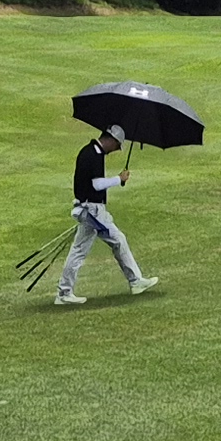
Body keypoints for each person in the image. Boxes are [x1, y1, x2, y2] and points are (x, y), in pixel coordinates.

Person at [55, 122, 156, 304]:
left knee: (90, 247)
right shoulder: (93, 154)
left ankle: (65, 291)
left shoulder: (92, 151)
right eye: (117, 146)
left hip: (90, 208)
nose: (117, 150)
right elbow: (97, 185)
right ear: (110, 140)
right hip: (92, 210)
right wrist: (119, 179)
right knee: (115, 241)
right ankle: (135, 281)